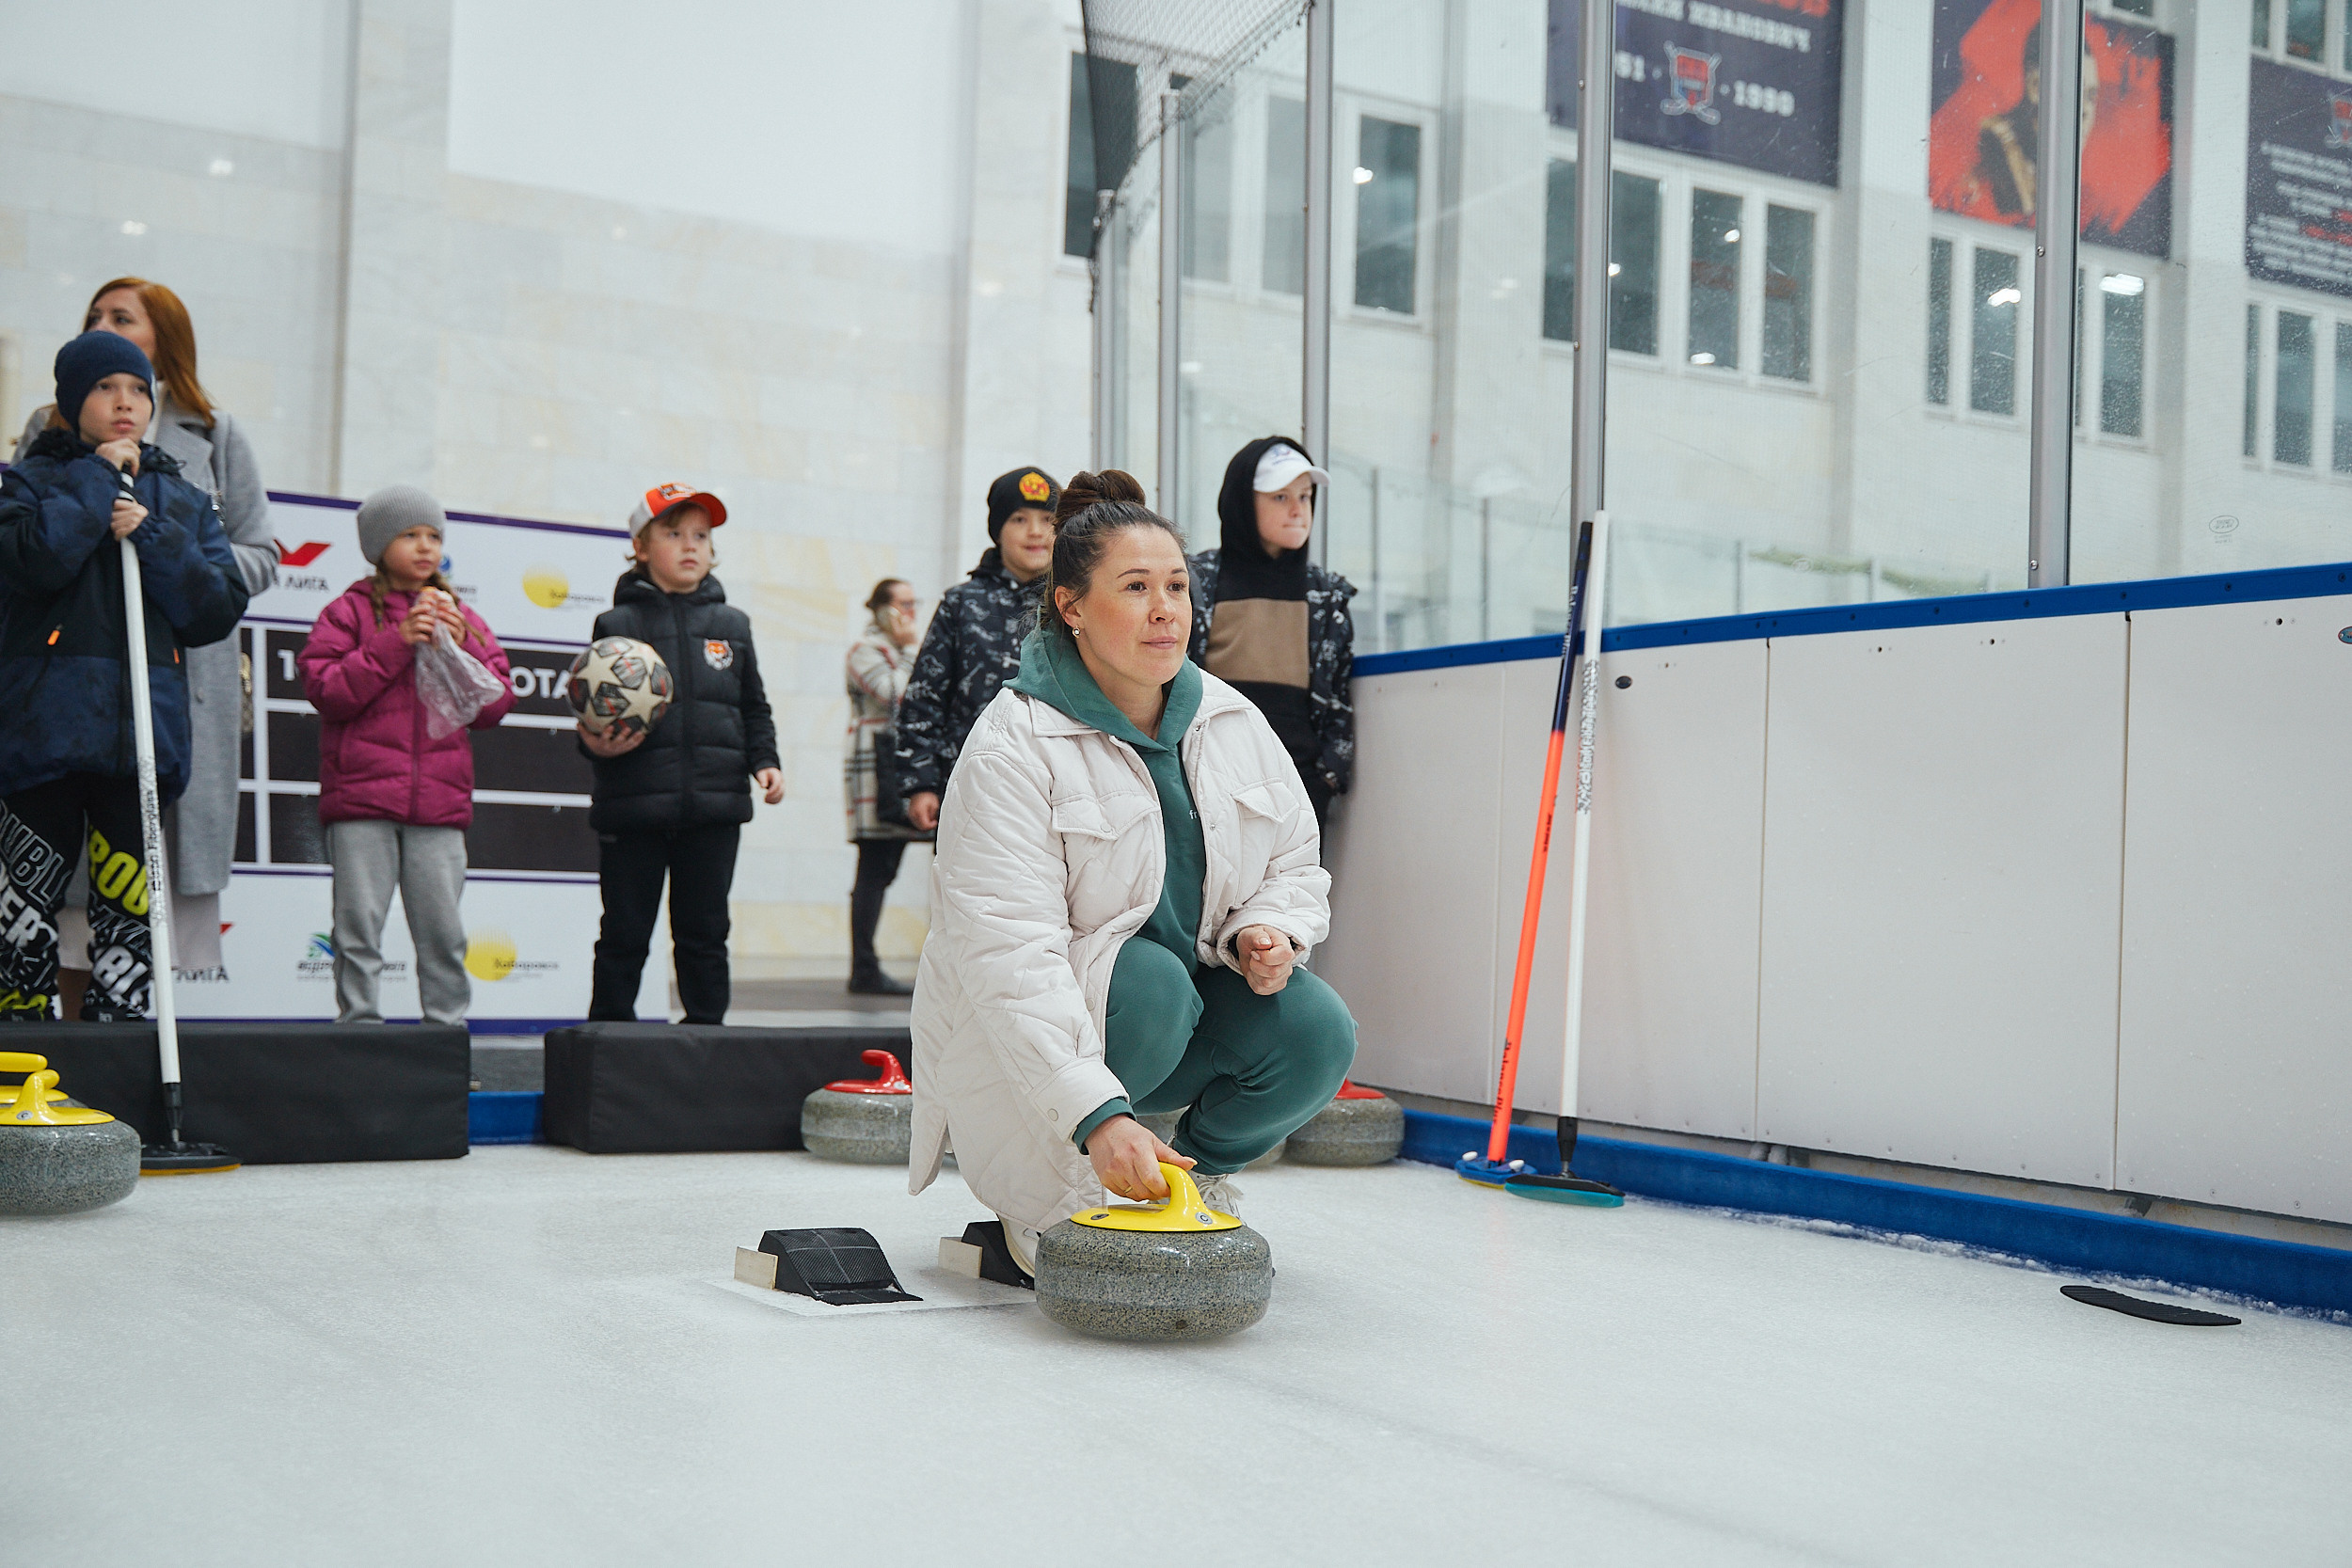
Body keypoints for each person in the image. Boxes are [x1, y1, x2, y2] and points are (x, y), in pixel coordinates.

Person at [909, 469, 1357, 1274]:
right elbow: (1010, 959)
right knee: (1147, 981)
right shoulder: (1014, 743)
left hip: (1178, 1015)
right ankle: (1056, 1195)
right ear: (1071, 606)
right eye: (1137, 586)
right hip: (1046, 1042)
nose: (1166, 608)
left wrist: (1269, 925)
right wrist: (1095, 1116)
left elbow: (1295, 857)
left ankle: (1197, 1177)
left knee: (1313, 1027)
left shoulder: (1229, 719)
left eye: (1178, 586)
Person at [13, 277, 277, 995]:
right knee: (44, 903)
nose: (106, 325)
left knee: (141, 900)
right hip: (60, 704)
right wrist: (96, 495)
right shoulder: (46, 440)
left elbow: (248, 561)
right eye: (95, 318)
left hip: (163, 693)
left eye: (123, 318)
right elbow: (32, 554)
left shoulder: (211, 436)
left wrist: (165, 538)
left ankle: (128, 1066)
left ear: (164, 343)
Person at [297, 486, 515, 1024]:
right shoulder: (346, 612)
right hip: (361, 804)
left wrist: (466, 648)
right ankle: (359, 1036)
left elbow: (495, 705)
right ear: (377, 544)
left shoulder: (462, 614)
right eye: (410, 534)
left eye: (434, 536)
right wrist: (396, 640)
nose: (425, 547)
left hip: (439, 809)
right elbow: (327, 690)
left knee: (443, 936)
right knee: (357, 931)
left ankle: (446, 1039)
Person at [579, 483, 782, 1025]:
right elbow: (590, 713)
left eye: (702, 535)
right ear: (641, 548)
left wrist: (766, 761)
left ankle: (707, 1046)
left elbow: (753, 705)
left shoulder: (731, 626)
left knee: (705, 934)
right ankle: (608, 1044)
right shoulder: (616, 626)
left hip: (713, 809)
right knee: (624, 933)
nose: (691, 545)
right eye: (673, 534)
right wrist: (595, 743)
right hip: (634, 808)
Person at [1187, 436, 1358, 829]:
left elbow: (1338, 700)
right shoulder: (1195, 582)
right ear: (1244, 504)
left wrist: (1327, 776)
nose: (1298, 510)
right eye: (1280, 497)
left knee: (1293, 892)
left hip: (1298, 789)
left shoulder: (1326, 594)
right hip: (1209, 782)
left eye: (1305, 496)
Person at [894, 466, 1060, 833]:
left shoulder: (1075, 604)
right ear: (998, 530)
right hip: (968, 784)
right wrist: (921, 783)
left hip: (1056, 788)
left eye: (1047, 519)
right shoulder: (962, 603)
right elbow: (925, 696)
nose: (1035, 531)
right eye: (1019, 519)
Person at [843, 578, 927, 996]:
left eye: (915, 604)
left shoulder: (898, 651)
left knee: (888, 868)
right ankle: (864, 968)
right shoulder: (866, 650)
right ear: (881, 609)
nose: (911, 613)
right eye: (903, 604)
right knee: (875, 868)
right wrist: (913, 647)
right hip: (877, 773)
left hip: (907, 769)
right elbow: (898, 693)